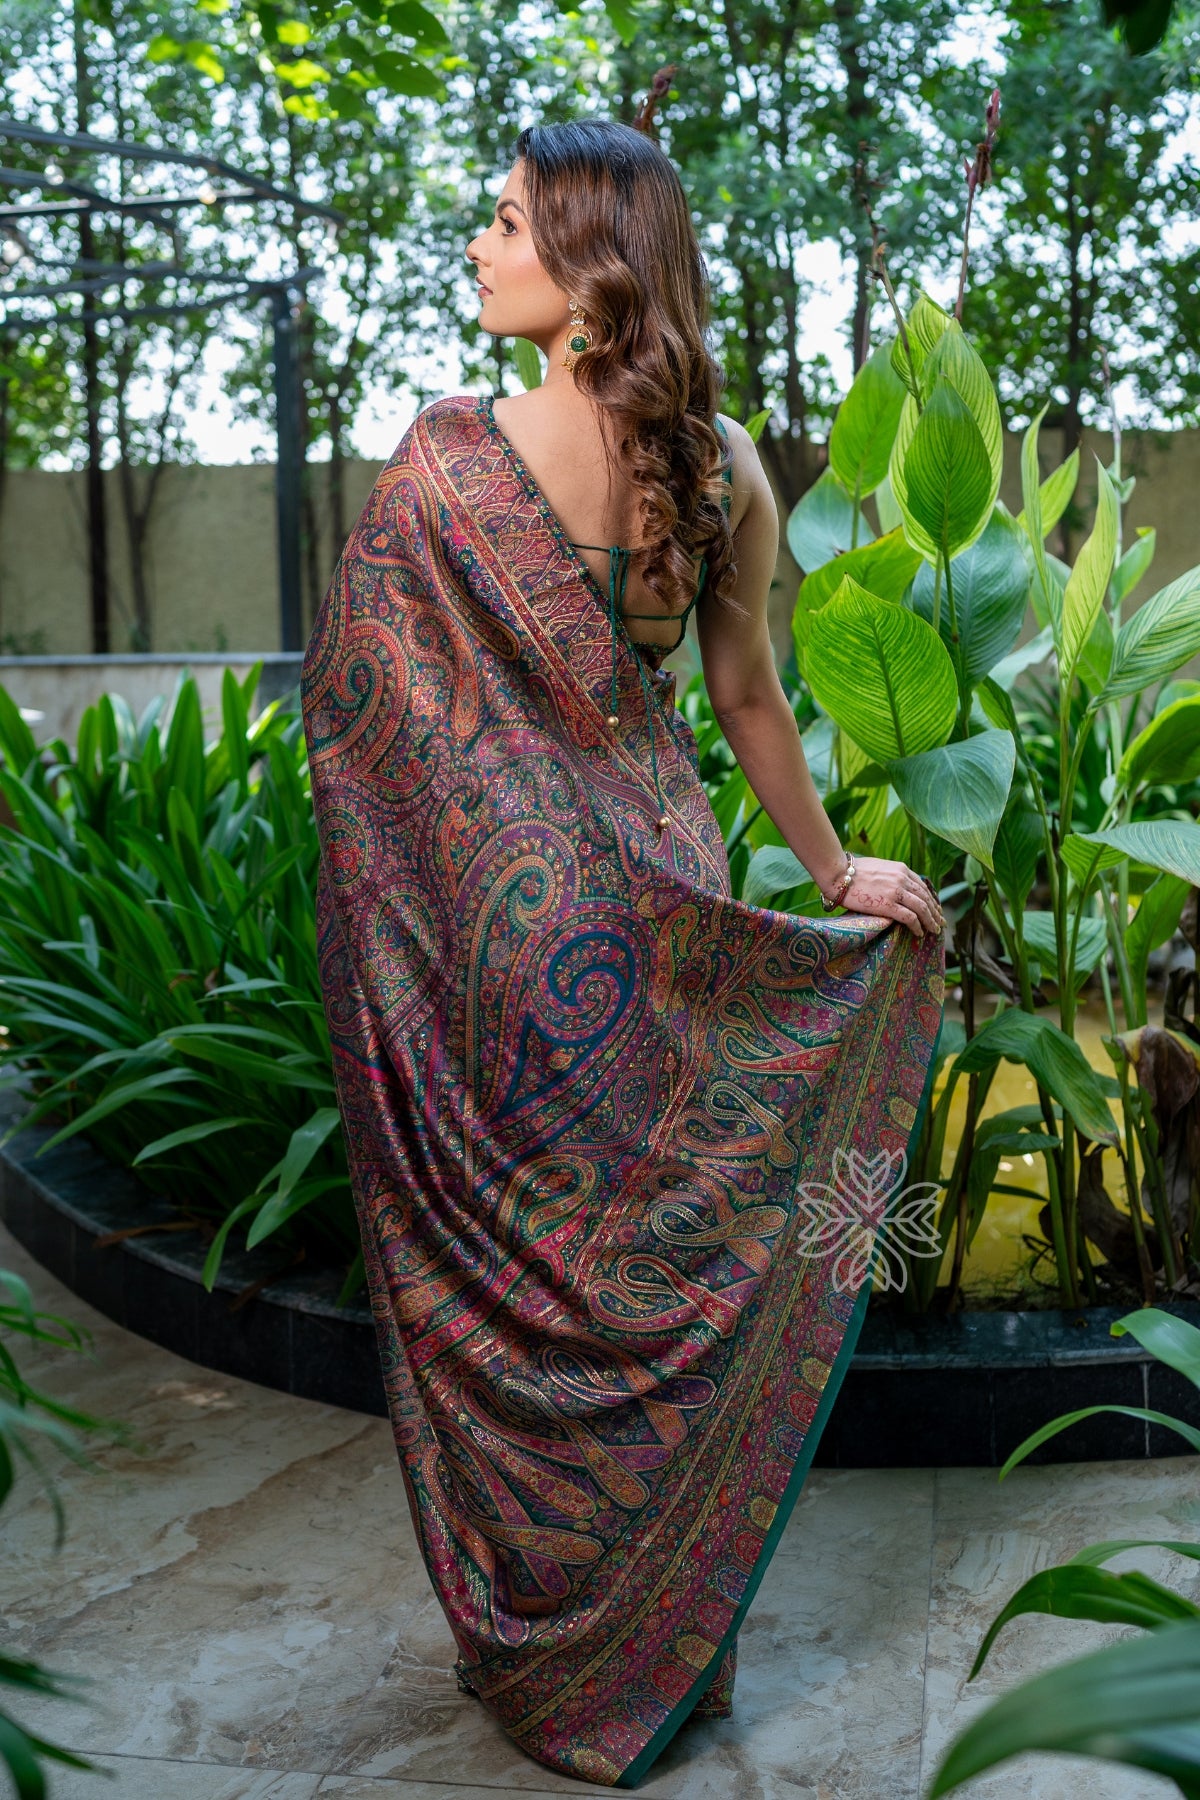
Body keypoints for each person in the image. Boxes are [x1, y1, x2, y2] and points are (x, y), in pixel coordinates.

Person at [301, 94, 945, 1791]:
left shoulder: (450, 459)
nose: (478, 245)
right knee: (677, 1274)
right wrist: (831, 877)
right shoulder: (721, 459)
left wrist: (408, 927)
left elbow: (367, 723)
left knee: (527, 1300)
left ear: (588, 260)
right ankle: (686, 1645)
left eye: (506, 221)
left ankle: (555, 1649)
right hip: (670, 918)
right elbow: (743, 703)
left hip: (507, 953)